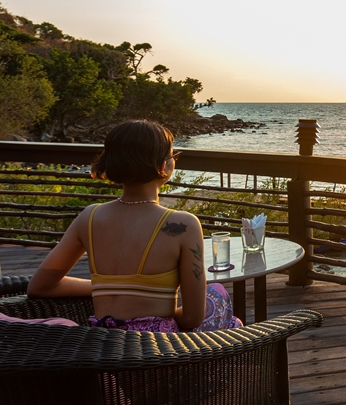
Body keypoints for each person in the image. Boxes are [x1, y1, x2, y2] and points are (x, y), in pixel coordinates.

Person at [28, 119, 241, 332]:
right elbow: (192, 318)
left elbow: (40, 286)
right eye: (172, 155)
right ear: (162, 166)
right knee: (217, 295)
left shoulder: (89, 217)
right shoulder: (183, 225)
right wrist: (158, 318)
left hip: (103, 346)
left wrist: (110, 288)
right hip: (158, 351)